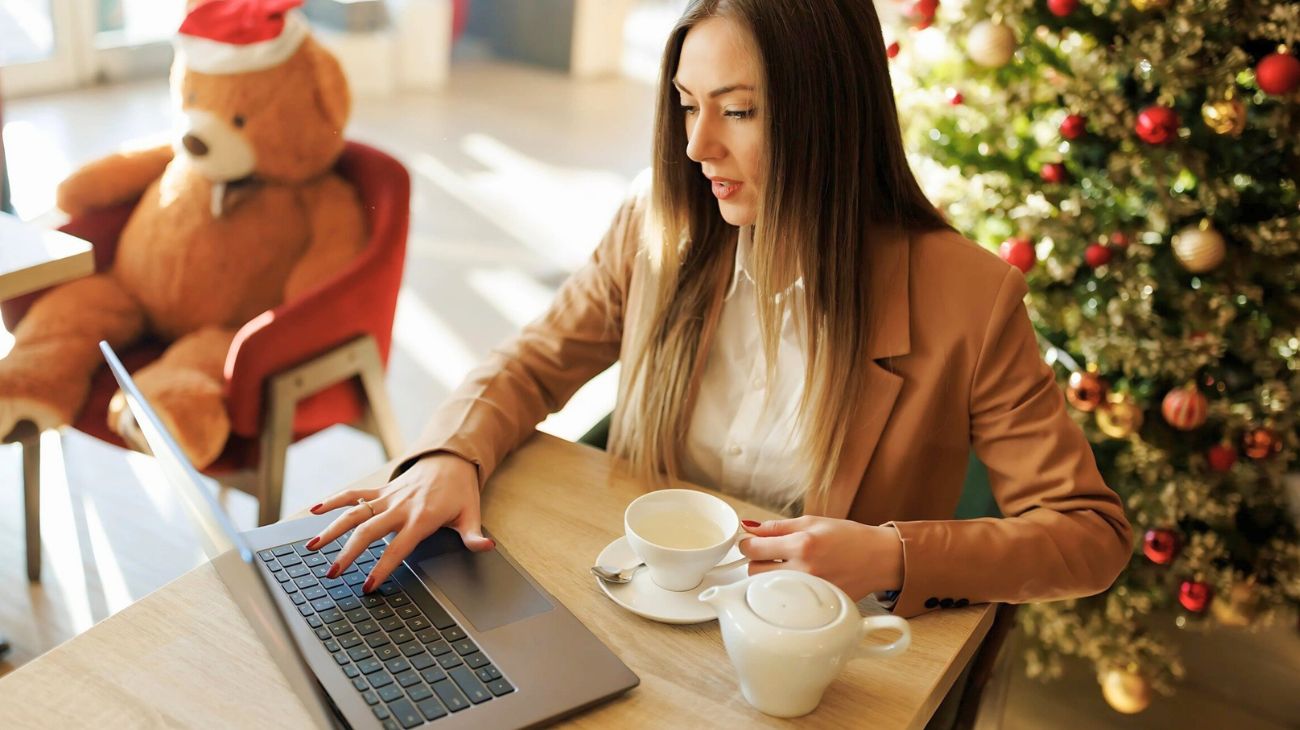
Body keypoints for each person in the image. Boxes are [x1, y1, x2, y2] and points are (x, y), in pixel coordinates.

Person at [305, 0, 1131, 618]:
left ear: (829, 117)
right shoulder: (657, 224)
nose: (698, 147)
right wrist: (452, 455)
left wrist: (890, 552)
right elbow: (533, 360)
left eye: (737, 111)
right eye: (686, 103)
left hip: (813, 646)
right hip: (638, 609)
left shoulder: (967, 298)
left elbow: (1089, 536)